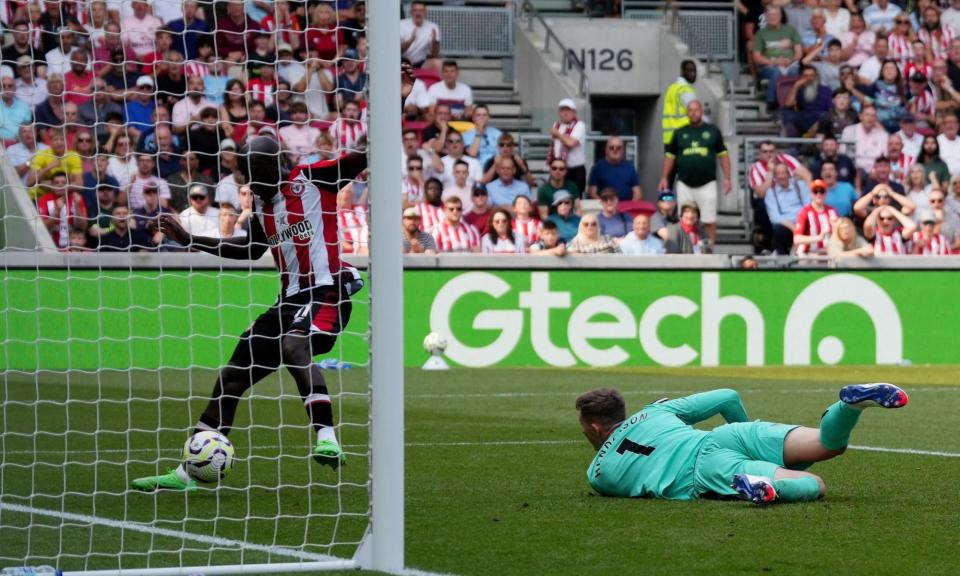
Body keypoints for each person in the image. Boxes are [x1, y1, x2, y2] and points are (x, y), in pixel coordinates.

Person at [131, 136, 367, 491]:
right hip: (288, 299)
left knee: (294, 345)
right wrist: (190, 240)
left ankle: (327, 437)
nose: (250, 181)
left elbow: (364, 154)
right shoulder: (260, 202)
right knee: (233, 377)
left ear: (276, 165)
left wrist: (397, 96)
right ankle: (187, 473)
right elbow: (252, 249)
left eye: (255, 172)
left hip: (327, 290)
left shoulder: (312, 179)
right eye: (245, 173)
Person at [576, 383, 909, 503]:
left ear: (595, 428)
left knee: (814, 484)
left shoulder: (599, 473)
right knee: (827, 444)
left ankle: (768, 487)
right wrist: (747, 439)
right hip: (727, 435)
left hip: (704, 469)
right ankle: (849, 405)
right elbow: (727, 397)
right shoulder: (655, 412)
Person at [658, 100, 731, 246]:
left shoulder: (712, 131)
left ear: (701, 111)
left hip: (707, 183)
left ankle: (709, 252)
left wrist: (727, 178)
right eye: (690, 110)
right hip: (684, 183)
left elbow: (723, 155)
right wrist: (664, 177)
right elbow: (670, 157)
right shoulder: (679, 133)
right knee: (684, 220)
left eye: (696, 110)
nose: (693, 113)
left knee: (709, 221)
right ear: (686, 113)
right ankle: (685, 249)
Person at [753, 6, 803, 111]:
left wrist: (790, 61)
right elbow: (756, 57)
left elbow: (799, 53)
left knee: (795, 72)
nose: (773, 17)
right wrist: (774, 61)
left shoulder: (791, 30)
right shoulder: (760, 34)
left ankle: (793, 103)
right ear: (766, 17)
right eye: (770, 15)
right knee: (777, 73)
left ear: (780, 16)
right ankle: (772, 103)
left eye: (775, 14)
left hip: (790, 63)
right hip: (769, 65)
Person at [764, 162, 811, 255]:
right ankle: (782, 259)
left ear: (789, 174)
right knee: (778, 230)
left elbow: (808, 206)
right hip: (787, 225)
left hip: (803, 220)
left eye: (783, 173)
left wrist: (800, 225)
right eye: (778, 173)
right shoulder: (770, 193)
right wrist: (795, 229)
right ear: (775, 177)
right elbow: (774, 217)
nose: (781, 176)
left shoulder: (800, 186)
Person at [548, 99, 587, 193]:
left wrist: (557, 134)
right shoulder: (557, 125)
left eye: (568, 110)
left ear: (574, 113)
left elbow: (571, 143)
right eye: (562, 110)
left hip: (575, 170)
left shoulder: (579, 125)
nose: (565, 113)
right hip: (559, 167)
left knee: (574, 196)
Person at [794, 179, 840, 256]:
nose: (818, 194)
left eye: (822, 191)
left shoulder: (832, 211)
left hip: (829, 254)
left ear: (826, 194)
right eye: (815, 191)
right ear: (811, 194)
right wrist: (819, 238)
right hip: (809, 254)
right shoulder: (805, 211)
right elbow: (797, 239)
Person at [661, 59, 698, 146]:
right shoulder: (685, 90)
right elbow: (696, 114)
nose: (693, 74)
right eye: (690, 70)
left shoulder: (671, 89)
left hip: (669, 139)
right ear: (682, 71)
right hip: (684, 137)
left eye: (694, 71)